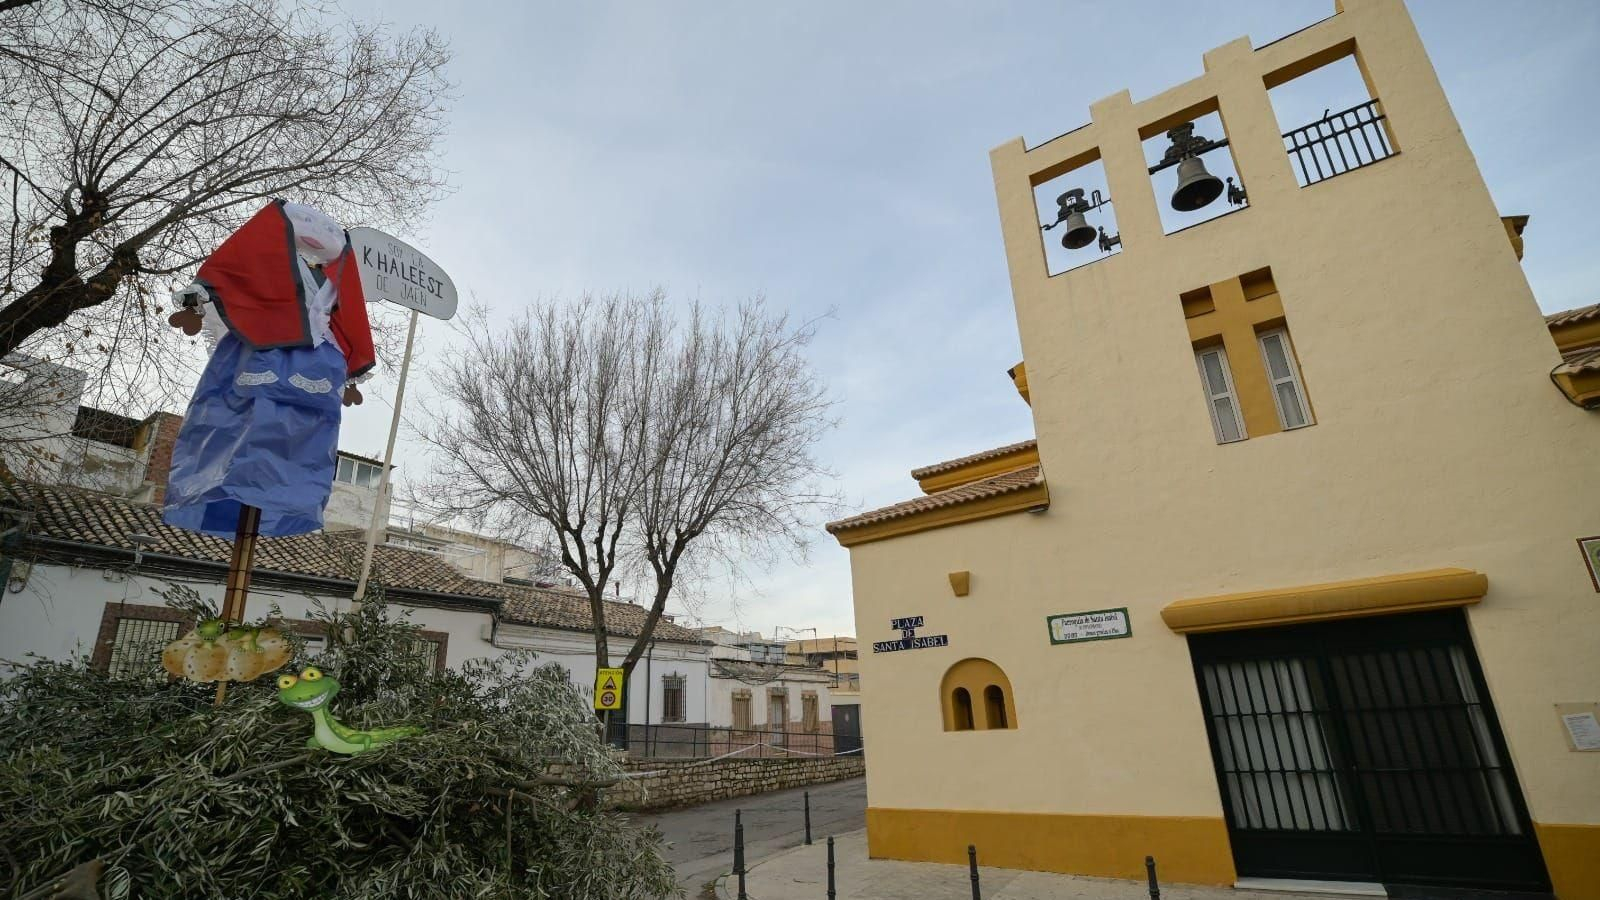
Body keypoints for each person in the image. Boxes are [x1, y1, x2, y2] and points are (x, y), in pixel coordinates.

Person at [162, 200, 375, 538]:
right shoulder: (264, 267)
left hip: (317, 364)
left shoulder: (334, 282)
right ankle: (229, 481)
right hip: (261, 349)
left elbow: (351, 317)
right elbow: (231, 270)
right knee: (244, 417)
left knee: (308, 430)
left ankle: (287, 489)